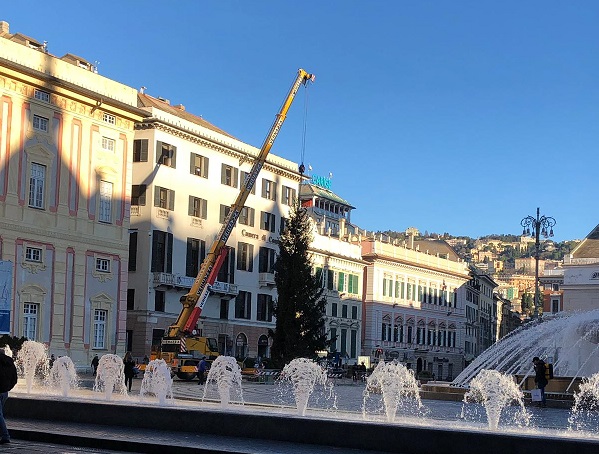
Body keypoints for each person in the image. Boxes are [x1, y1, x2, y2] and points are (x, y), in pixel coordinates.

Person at [0, 347, 18, 444]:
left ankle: (5, 436)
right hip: (4, 392)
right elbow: (15, 378)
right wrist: (7, 388)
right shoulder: (10, 363)